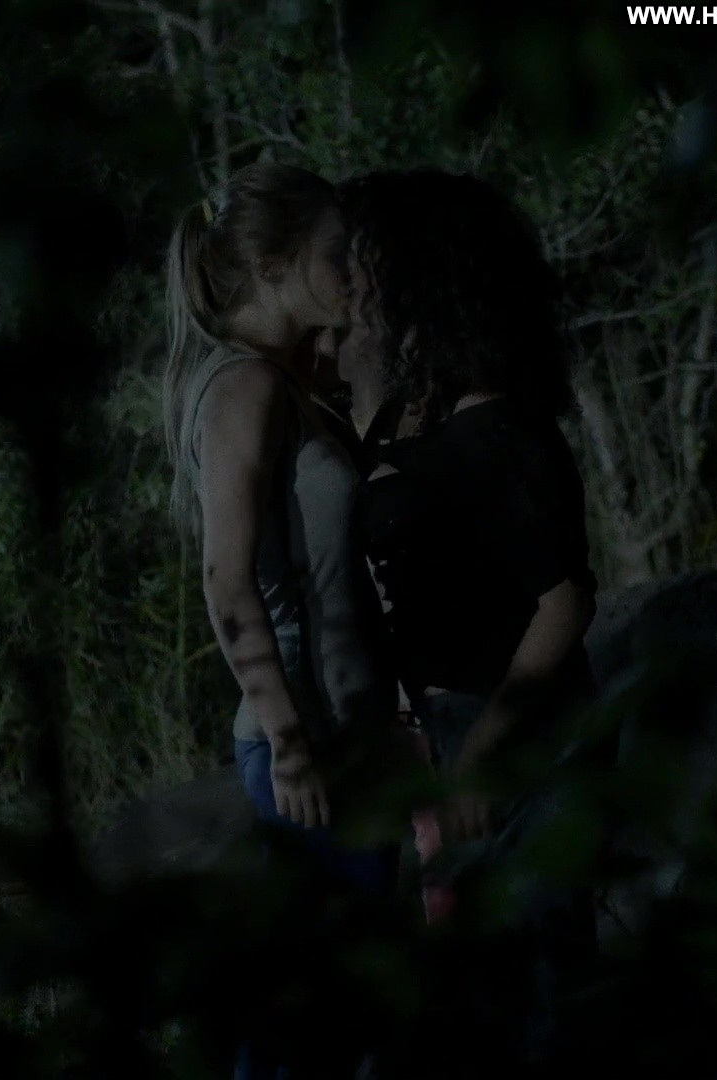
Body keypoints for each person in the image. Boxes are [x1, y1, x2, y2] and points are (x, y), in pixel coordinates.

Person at [321, 168, 609, 1069]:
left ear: (422, 280)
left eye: (363, 269)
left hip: (516, 733)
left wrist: (486, 753)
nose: (348, 288)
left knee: (541, 986)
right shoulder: (432, 418)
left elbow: (564, 601)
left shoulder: (497, 431)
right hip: (460, 728)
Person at [163, 161, 404, 1079]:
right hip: (309, 742)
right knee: (314, 1015)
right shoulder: (245, 389)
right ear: (272, 265)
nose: (352, 269)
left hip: (346, 732)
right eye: (335, 253)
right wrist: (290, 741)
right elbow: (227, 582)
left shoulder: (285, 383)